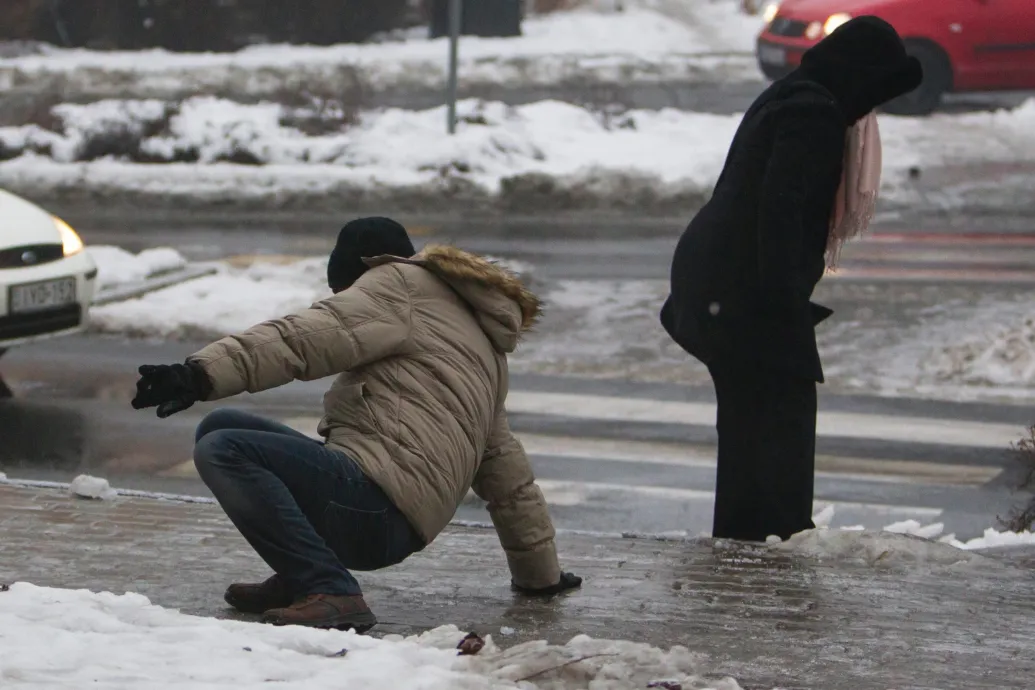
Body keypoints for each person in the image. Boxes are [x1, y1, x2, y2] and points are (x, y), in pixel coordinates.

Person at [131, 217, 581, 631]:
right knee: (221, 425)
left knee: (225, 448)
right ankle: (300, 574)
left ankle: (330, 588)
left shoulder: (395, 286)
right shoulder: (472, 339)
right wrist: (540, 577)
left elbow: (301, 338)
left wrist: (199, 373)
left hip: (377, 509)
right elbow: (508, 475)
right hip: (395, 521)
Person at [659, 17, 923, 542]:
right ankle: (770, 543)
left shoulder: (791, 95)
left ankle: (746, 543)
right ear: (861, 76)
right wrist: (784, 312)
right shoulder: (814, 114)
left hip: (718, 283)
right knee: (780, 417)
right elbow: (781, 211)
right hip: (739, 291)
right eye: (876, 93)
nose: (872, 110)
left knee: (752, 425)